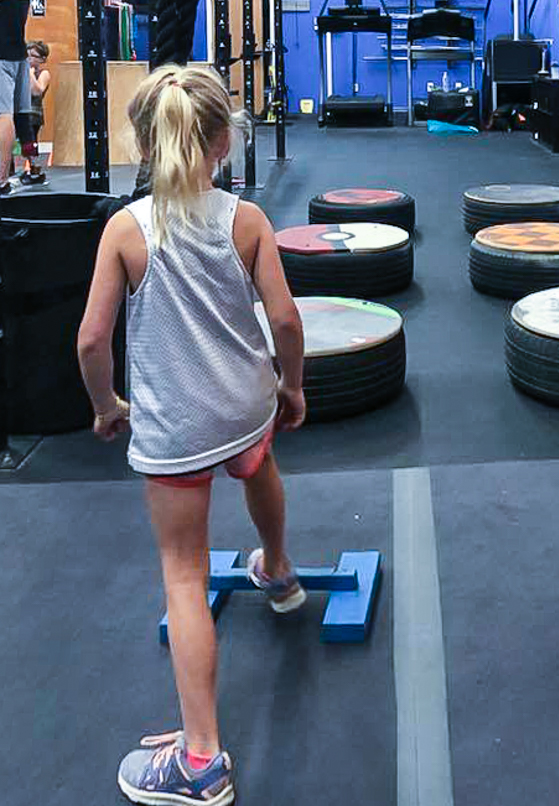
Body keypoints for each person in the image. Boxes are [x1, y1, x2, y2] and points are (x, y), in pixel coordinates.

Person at [77, 65, 307, 805]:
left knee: (185, 572)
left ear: (146, 143)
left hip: (176, 429)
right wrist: (291, 386)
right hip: (244, 408)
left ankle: (200, 762)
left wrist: (107, 404)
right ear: (221, 144)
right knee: (256, 464)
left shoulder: (125, 228)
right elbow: (285, 322)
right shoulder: (246, 219)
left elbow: (90, 342)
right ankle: (277, 568)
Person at [0, 0, 30, 196]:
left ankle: (1, 180)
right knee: (17, 115)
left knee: (3, 115)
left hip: (3, 56)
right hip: (18, 53)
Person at [16, 39, 50, 185]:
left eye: (33, 56)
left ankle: (34, 170)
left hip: (33, 114)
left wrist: (29, 73)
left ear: (42, 59)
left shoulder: (43, 73)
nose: (29, 59)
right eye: (27, 55)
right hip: (17, 112)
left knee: (30, 142)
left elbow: (37, 90)